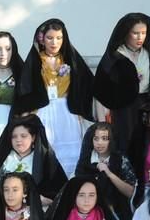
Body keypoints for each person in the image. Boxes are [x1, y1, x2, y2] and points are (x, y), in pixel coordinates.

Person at [14, 19, 94, 177]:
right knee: (48, 150)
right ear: (42, 39)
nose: (54, 42)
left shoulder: (69, 59)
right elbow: (26, 89)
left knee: (72, 153)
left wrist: (80, 106)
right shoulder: (36, 61)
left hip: (67, 112)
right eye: (50, 38)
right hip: (43, 111)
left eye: (59, 38)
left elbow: (87, 83)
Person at [94, 13, 150, 154]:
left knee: (147, 143)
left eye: (143, 33)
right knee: (126, 142)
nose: (140, 37)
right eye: (135, 33)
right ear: (126, 33)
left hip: (148, 104)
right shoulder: (115, 56)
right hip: (124, 108)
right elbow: (102, 87)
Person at [0, 114, 67, 203]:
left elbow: (57, 191)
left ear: (33, 138)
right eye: (14, 136)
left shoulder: (44, 160)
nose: (18, 140)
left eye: (23, 136)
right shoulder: (4, 159)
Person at [75, 123, 136, 220]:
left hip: (118, 213)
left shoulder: (120, 160)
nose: (100, 143)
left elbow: (131, 192)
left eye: (105, 138)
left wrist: (109, 173)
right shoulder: (86, 160)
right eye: (96, 138)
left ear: (111, 140)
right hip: (90, 214)